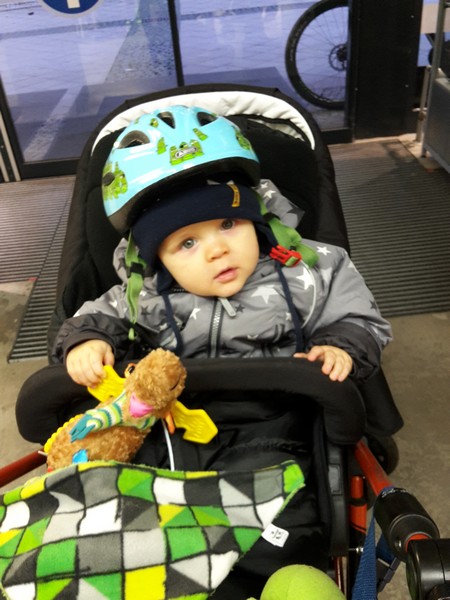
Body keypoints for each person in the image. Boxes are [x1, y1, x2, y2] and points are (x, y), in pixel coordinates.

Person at [19, 105, 393, 598]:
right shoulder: (142, 297)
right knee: (130, 545)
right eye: (188, 243)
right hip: (171, 449)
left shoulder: (309, 271)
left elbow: (358, 317)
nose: (217, 250)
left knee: (283, 558)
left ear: (257, 219)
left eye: (229, 224)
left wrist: (340, 345)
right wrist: (86, 341)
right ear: (157, 258)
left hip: (281, 437)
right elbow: (92, 318)